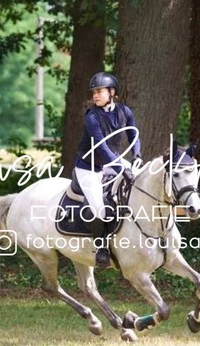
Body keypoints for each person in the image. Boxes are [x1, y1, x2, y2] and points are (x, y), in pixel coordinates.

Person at [73, 71, 143, 268]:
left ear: (112, 92)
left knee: (142, 183)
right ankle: (101, 247)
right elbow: (102, 147)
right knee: (99, 208)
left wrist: (137, 155)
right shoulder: (91, 117)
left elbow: (134, 135)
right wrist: (121, 167)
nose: (95, 95)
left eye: (99, 91)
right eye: (93, 92)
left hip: (113, 162)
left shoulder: (124, 111)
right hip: (89, 167)